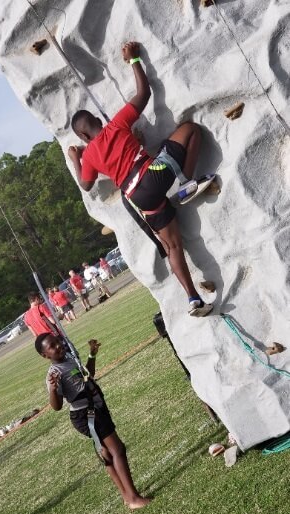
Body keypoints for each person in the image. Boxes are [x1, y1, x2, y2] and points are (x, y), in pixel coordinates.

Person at [68, 41, 213, 317]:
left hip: (137, 197)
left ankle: (193, 298)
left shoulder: (90, 157)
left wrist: (78, 160)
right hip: (151, 175)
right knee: (190, 130)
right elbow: (144, 93)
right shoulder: (117, 123)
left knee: (172, 246)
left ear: (84, 137)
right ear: (98, 120)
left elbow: (86, 185)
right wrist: (134, 60)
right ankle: (185, 184)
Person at [35, 333, 151, 510]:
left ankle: (127, 497)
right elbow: (56, 406)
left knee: (106, 453)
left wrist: (92, 354)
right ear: (45, 356)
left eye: (57, 342)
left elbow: (88, 375)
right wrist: (52, 388)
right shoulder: (54, 373)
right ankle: (133, 498)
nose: (58, 346)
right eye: (52, 346)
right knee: (117, 449)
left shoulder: (69, 358)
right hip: (85, 414)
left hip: (96, 406)